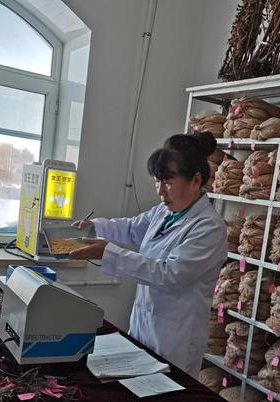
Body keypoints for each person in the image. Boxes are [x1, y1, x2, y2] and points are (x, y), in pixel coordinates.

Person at [69, 132, 227, 378]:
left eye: (169, 182)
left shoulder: (209, 228)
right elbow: (132, 228)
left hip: (175, 340)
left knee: (166, 394)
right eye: (157, 181)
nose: (161, 192)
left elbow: (169, 274)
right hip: (144, 326)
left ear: (196, 180)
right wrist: (95, 227)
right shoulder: (164, 212)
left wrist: (108, 252)